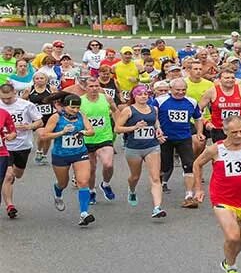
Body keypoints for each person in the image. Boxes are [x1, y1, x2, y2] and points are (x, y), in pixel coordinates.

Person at [192, 116, 241, 273]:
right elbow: (197, 164)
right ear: (225, 132)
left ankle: (228, 260)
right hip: (223, 198)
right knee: (232, 236)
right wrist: (198, 188)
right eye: (234, 132)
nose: (239, 136)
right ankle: (231, 270)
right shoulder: (215, 149)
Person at [39, 93, 97, 226]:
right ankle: (58, 193)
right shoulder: (56, 117)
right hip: (61, 155)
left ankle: (84, 213)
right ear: (65, 106)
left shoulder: (81, 115)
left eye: (77, 108)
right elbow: (44, 136)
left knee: (83, 182)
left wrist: (83, 132)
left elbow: (91, 131)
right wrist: (62, 132)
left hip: (79, 153)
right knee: (63, 183)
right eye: (72, 108)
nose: (75, 110)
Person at [114, 85, 165, 218]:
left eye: (145, 94)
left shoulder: (154, 109)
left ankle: (157, 207)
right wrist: (134, 127)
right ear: (134, 96)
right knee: (135, 176)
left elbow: (155, 122)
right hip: (134, 148)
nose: (143, 96)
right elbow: (117, 129)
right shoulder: (128, 110)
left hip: (152, 146)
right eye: (140, 94)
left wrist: (158, 130)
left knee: (155, 178)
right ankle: (131, 190)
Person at [156, 79, 204, 202]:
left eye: (183, 90)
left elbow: (198, 118)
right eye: (177, 90)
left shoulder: (191, 102)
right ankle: (158, 184)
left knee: (189, 164)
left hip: (184, 137)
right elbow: (153, 116)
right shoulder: (160, 101)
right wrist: (157, 130)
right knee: (165, 166)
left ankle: (188, 194)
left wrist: (199, 132)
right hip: (165, 138)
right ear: (170, 89)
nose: (180, 92)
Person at [0, 82, 40, 218]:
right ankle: (10, 206)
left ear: (14, 94)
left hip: (23, 145)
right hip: (4, 147)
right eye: (3, 98)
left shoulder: (26, 105)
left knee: (18, 174)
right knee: (8, 175)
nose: (6, 101)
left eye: (9, 98)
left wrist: (29, 127)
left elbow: (39, 121)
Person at [79, 76, 118, 205]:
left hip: (104, 137)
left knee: (108, 164)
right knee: (91, 168)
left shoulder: (106, 98)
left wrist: (118, 125)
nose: (94, 89)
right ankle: (91, 191)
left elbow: (115, 111)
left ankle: (105, 184)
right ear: (85, 88)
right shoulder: (80, 102)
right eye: (91, 86)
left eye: (96, 86)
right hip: (87, 139)